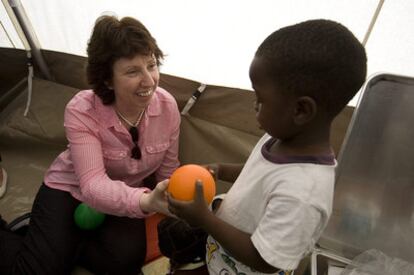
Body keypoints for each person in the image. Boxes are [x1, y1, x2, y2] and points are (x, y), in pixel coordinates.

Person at [167, 19, 367, 274]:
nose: (254, 106)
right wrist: (221, 169)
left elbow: (266, 260)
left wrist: (205, 219)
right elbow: (257, 172)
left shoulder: (303, 193)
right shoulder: (281, 137)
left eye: (260, 100)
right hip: (220, 255)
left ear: (301, 110)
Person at [0, 15, 180, 274]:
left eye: (151, 65)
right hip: (70, 189)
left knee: (125, 261)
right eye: (132, 71)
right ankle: (42, 240)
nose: (149, 81)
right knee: (34, 271)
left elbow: (168, 170)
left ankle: (55, 241)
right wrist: (147, 201)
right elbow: (93, 186)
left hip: (124, 192)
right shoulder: (82, 110)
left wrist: (174, 199)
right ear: (107, 79)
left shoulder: (167, 106)